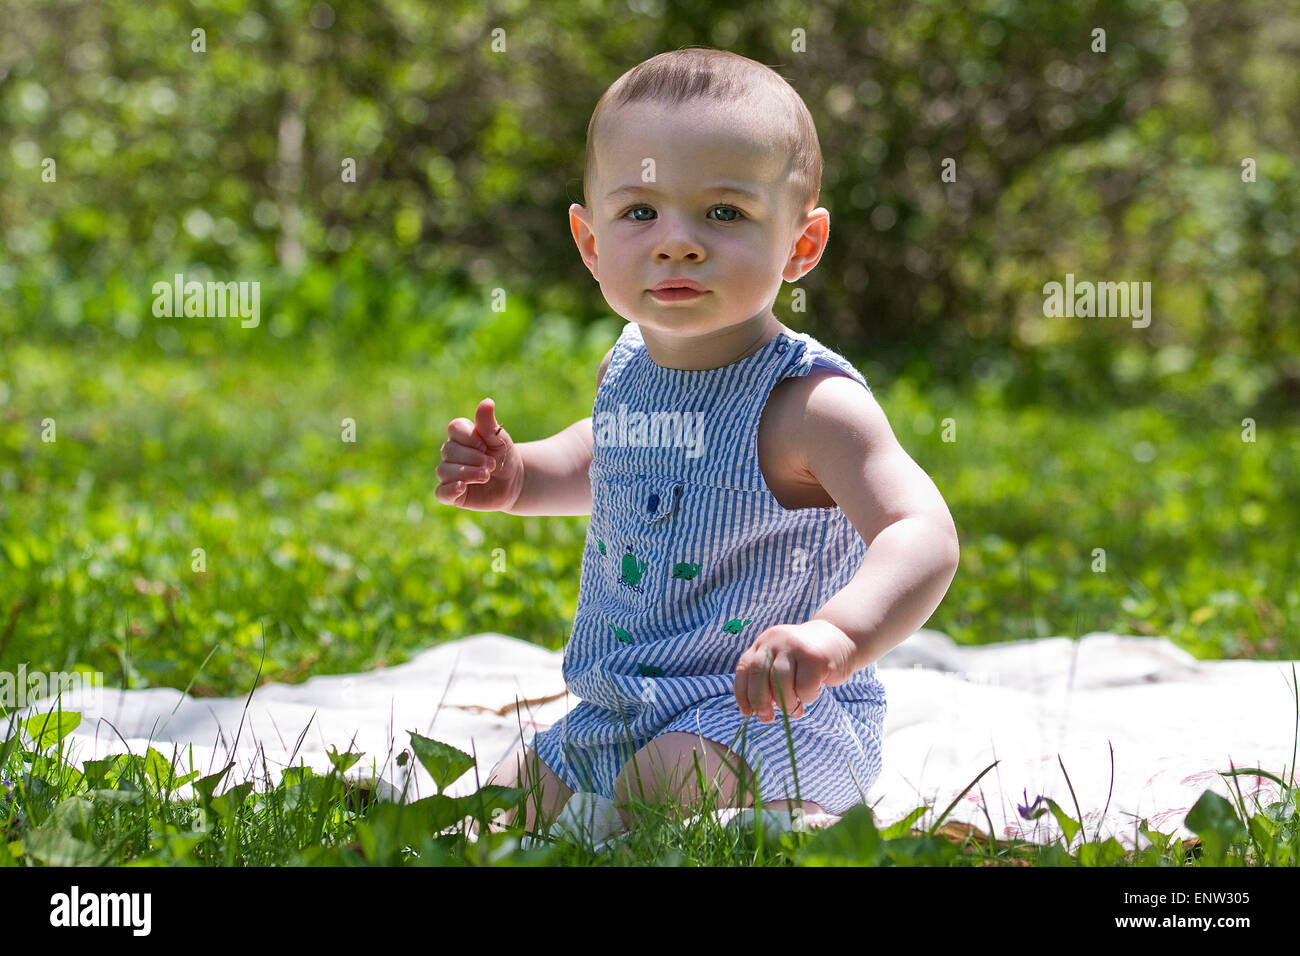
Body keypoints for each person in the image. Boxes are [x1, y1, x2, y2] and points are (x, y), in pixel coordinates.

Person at [437, 48, 959, 840]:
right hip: (621, 706)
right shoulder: (630, 365)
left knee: (655, 788)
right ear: (589, 241)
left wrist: (838, 636)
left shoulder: (809, 403)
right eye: (640, 212)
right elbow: (605, 454)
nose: (677, 242)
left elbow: (921, 532)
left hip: (778, 718)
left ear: (801, 244)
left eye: (724, 213)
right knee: (497, 800)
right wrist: (520, 476)